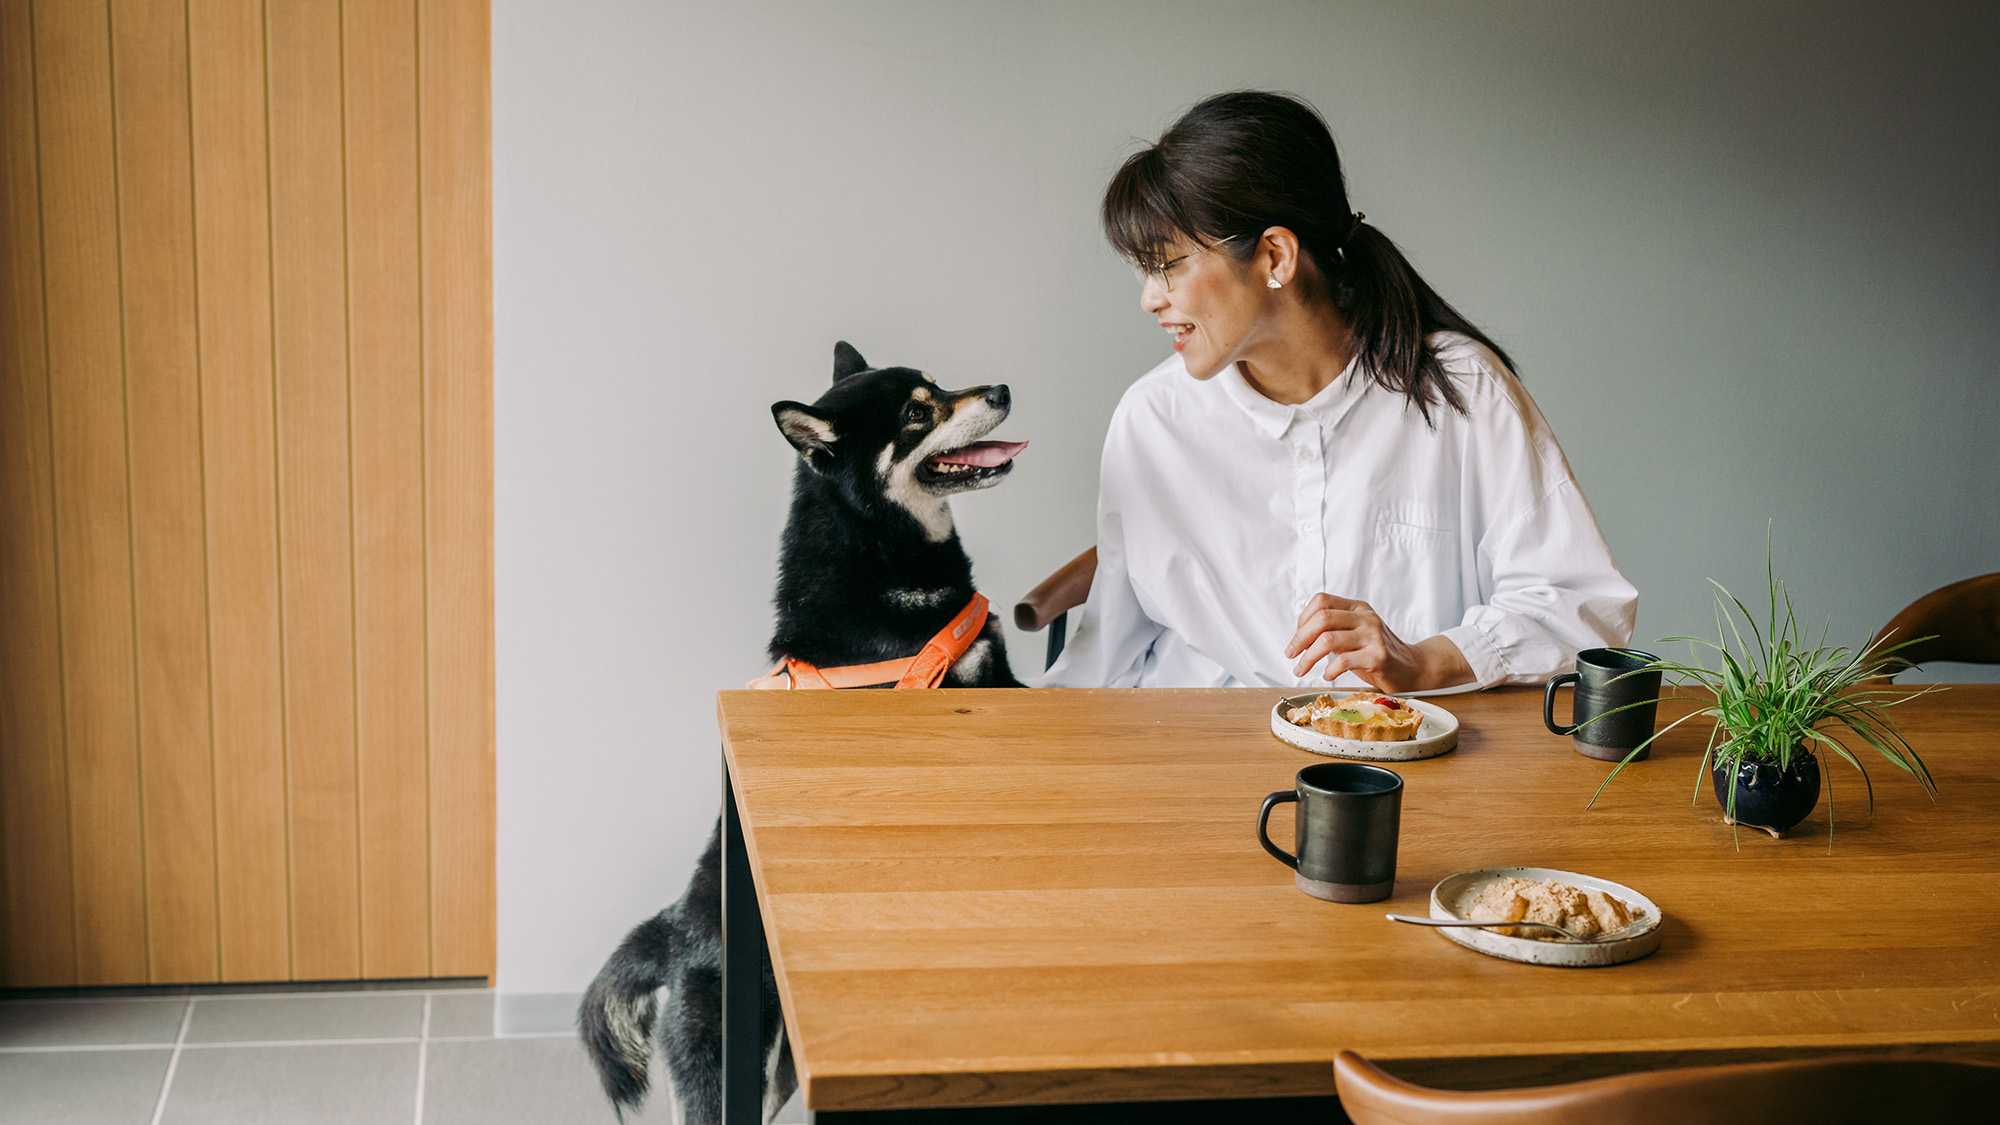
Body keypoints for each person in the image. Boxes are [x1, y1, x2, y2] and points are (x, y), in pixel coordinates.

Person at [1041, 91, 1636, 692]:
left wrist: (1427, 659)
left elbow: (1581, 607)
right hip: (1201, 758)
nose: (1150, 297)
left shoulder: (1462, 392)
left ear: (1275, 254)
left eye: (1169, 266)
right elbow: (1106, 655)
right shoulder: (1151, 419)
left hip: (1400, 769)